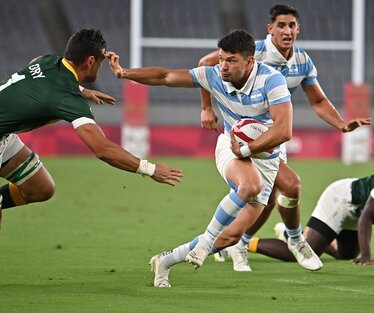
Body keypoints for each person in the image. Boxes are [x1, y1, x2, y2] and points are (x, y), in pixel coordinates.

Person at [0, 29, 183, 289]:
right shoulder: (64, 95)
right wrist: (150, 169)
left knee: (41, 188)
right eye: (101, 61)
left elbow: (35, 62)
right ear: (90, 61)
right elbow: (102, 149)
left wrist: (83, 91)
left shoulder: (52, 61)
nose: (101, 67)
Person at [108, 29, 308, 288]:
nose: (223, 66)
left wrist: (247, 150)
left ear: (249, 61)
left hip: (263, 157)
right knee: (249, 185)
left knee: (230, 237)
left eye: (231, 60)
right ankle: (204, 244)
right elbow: (165, 76)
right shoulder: (212, 75)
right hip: (230, 146)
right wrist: (125, 73)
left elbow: (284, 131)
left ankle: (165, 260)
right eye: (222, 59)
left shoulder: (272, 81)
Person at [198, 4, 371, 271]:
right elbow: (205, 64)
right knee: (288, 185)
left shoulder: (302, 61)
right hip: (245, 136)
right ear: (271, 29)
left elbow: (318, 100)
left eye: (291, 25)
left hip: (273, 138)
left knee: (267, 198)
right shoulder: (253, 52)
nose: (287, 30)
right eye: (281, 25)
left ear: (298, 29)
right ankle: (287, 240)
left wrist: (341, 124)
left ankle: (238, 243)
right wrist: (207, 107)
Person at [247, 174, 374, 266]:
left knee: (347, 255)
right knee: (306, 253)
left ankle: (292, 234)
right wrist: (366, 255)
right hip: (340, 200)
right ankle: (243, 243)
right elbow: (366, 217)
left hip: (356, 209)